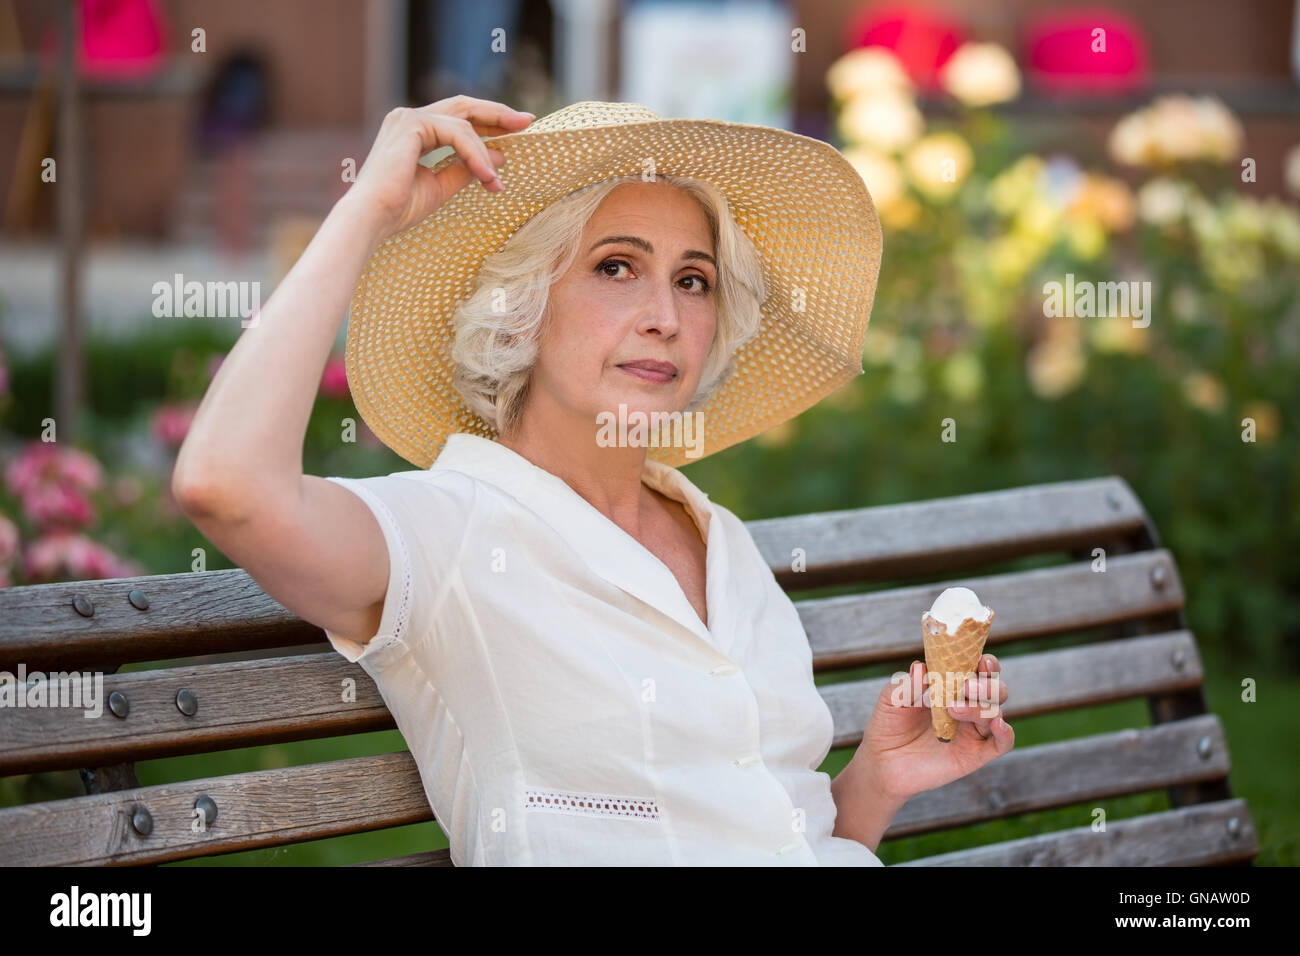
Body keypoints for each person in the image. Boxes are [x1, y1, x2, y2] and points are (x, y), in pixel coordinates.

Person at [172, 95, 1013, 866]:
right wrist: (368, 213)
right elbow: (225, 484)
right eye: (617, 267)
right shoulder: (453, 532)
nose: (666, 317)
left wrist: (876, 781)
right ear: (518, 304)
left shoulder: (721, 539)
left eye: (694, 281)